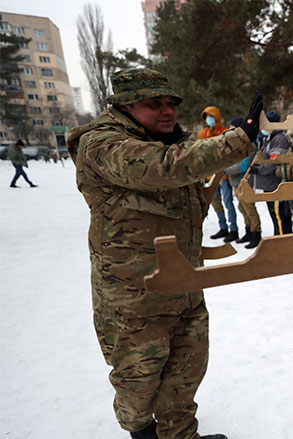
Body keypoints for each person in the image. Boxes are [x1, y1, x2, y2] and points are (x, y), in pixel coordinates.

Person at [66, 67, 263, 439]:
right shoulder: (101, 144)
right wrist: (238, 140)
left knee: (185, 370)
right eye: (152, 103)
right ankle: (141, 433)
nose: (166, 110)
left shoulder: (172, 141)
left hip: (184, 283)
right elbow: (161, 168)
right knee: (137, 380)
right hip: (134, 295)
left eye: (170, 102)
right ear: (124, 106)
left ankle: (180, 434)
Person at [199, 106, 240, 243]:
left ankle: (233, 229)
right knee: (216, 203)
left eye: (210, 117)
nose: (208, 120)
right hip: (209, 175)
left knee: (228, 203)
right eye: (206, 117)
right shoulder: (203, 133)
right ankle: (223, 227)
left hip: (223, 175)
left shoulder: (225, 132)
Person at [252, 111, 293, 235]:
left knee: (280, 217)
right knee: (275, 217)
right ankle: (279, 242)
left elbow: (275, 161)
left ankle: (281, 244)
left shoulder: (279, 139)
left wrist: (258, 169)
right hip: (269, 185)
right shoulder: (269, 138)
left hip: (276, 186)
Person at [224, 116, 262, 249]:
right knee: (242, 207)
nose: (230, 130)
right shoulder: (237, 143)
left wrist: (225, 169)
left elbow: (243, 166)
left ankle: (256, 233)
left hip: (245, 181)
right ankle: (249, 231)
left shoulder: (249, 144)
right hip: (235, 181)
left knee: (249, 208)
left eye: (232, 128)